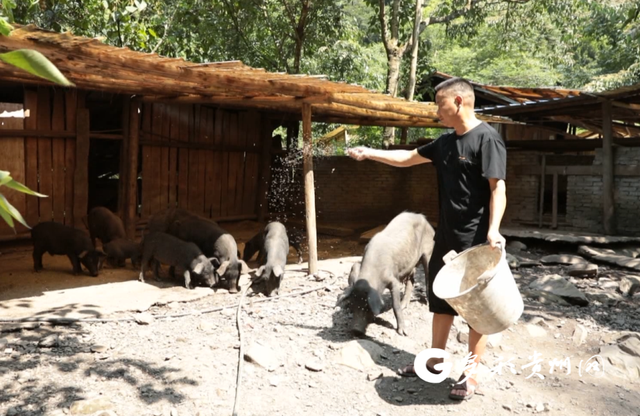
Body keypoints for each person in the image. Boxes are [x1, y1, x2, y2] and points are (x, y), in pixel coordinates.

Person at [347, 77, 507, 401]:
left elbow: (497, 188)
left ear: (459, 102)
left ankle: (471, 375)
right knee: (440, 303)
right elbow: (407, 158)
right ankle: (435, 361)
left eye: (439, 104)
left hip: (477, 241)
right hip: (445, 238)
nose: (436, 112)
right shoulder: (445, 144)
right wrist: (369, 152)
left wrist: (494, 228)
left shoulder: (487, 140)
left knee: (477, 310)